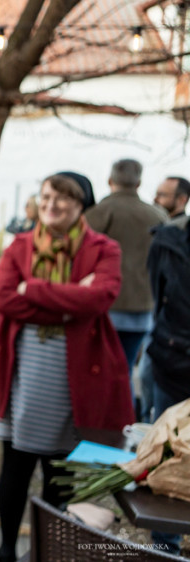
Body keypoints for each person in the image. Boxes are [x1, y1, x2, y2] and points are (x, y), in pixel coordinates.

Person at [0, 171, 134, 562]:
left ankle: (45, 551)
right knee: (15, 466)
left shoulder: (105, 249)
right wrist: (71, 299)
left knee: (60, 470)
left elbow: (100, 298)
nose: (52, 204)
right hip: (24, 371)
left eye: (63, 198)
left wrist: (32, 290)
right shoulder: (20, 245)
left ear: (81, 204)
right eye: (47, 195)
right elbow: (3, 299)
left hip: (77, 374)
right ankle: (5, 549)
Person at [85, 159, 167, 375]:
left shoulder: (98, 213)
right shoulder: (158, 215)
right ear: (138, 183)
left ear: (110, 180)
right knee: (124, 370)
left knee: (100, 371)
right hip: (143, 307)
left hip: (105, 306)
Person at [144, 204, 190, 554]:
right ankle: (165, 548)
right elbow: (158, 300)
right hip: (173, 362)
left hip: (172, 355)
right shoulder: (169, 239)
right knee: (167, 456)